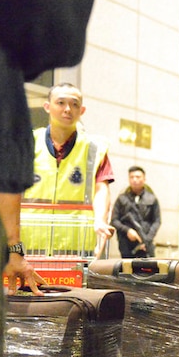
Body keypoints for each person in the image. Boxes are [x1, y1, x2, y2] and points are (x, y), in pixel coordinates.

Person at [0, 0, 96, 357]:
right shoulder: (2, 75)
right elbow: (6, 177)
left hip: (67, 264)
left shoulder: (91, 149)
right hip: (27, 255)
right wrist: (14, 248)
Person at [22, 83, 116, 258]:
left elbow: (101, 189)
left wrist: (100, 221)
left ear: (82, 110)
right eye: (61, 103)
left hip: (77, 250)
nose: (68, 109)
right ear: (47, 107)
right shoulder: (27, 143)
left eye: (74, 104)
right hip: (28, 248)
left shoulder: (94, 149)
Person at [111, 165, 161, 258]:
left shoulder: (152, 199)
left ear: (144, 179)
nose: (134, 179)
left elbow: (157, 221)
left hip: (146, 244)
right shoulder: (122, 199)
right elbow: (114, 220)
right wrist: (127, 230)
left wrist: (147, 240)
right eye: (131, 177)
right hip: (126, 244)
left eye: (138, 177)